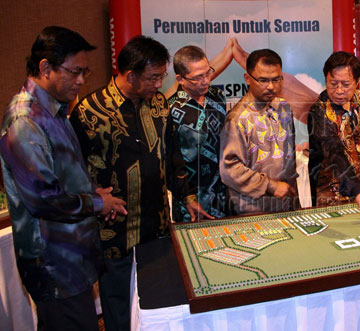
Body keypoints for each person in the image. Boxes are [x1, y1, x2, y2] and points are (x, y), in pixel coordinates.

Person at [70, 35, 210, 331]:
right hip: (112, 227)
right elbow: (72, 169)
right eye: (153, 77)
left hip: (155, 221)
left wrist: (187, 196)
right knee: (117, 300)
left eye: (162, 76)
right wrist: (92, 195)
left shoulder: (158, 104)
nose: (159, 85)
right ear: (130, 75)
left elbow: (172, 155)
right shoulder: (89, 111)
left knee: (157, 296)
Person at [0, 26, 127, 330]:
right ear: (45, 67)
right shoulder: (25, 120)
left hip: (73, 259)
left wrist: (94, 191)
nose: (81, 80)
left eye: (85, 71)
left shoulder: (54, 111)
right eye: (74, 72)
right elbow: (43, 198)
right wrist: (97, 203)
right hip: (54, 265)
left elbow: (64, 175)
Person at [220, 49, 298, 214]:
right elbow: (230, 169)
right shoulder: (237, 118)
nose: (271, 86)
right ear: (248, 79)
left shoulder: (284, 107)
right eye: (263, 80)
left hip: (286, 204)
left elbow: (289, 160)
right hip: (252, 209)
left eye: (276, 79)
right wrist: (271, 185)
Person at [308, 51, 360, 212]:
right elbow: (333, 152)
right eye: (333, 84)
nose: (339, 90)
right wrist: (357, 190)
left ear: (357, 81)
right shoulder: (319, 111)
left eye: (345, 84)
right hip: (331, 195)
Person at [169, 45, 228, 219]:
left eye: (207, 73)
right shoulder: (171, 109)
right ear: (180, 79)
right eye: (197, 77)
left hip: (221, 193)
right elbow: (171, 159)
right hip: (190, 197)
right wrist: (186, 196)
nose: (205, 81)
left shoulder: (217, 96)